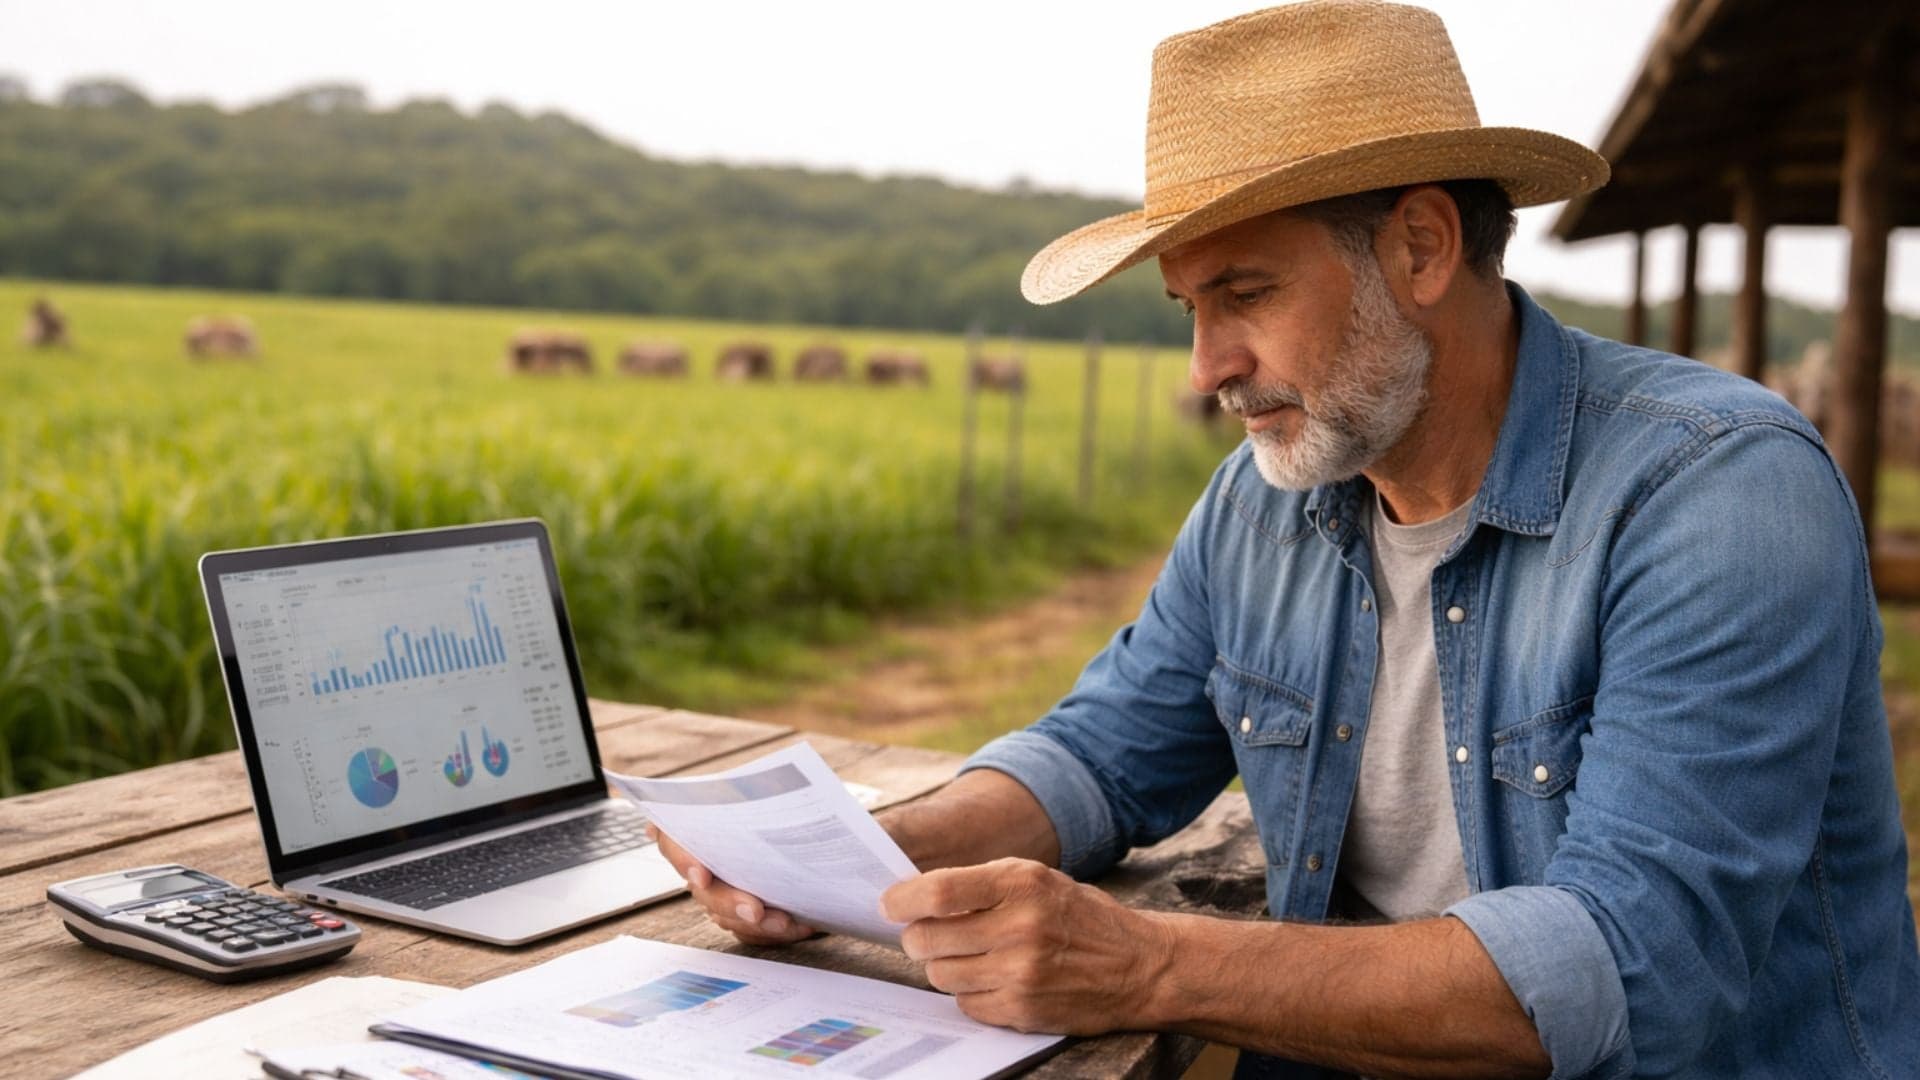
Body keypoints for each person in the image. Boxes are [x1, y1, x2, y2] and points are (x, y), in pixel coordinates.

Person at [653, 2, 1920, 1076]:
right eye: (1191, 309)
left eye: (1246, 294)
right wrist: (884, 852)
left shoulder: (1716, 493)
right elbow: (1105, 752)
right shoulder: (1261, 502)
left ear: (1422, 246)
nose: (1210, 367)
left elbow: (1638, 959)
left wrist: (1148, 965)